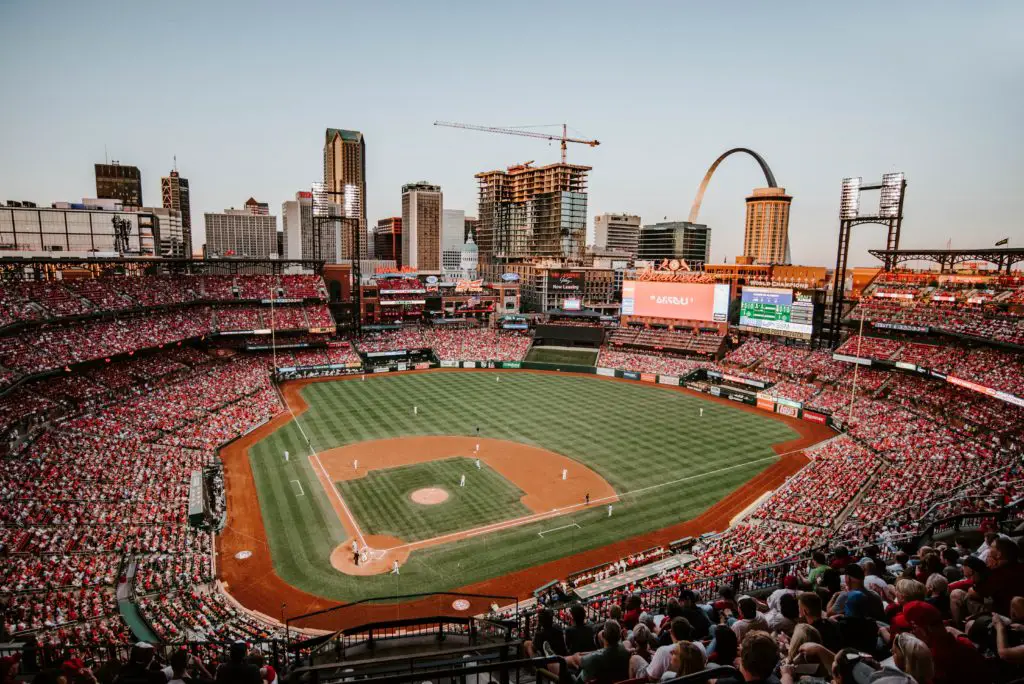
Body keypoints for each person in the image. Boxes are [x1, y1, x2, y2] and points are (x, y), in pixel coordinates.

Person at [904, 600, 991, 684]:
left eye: (912, 629)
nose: (911, 633)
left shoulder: (933, 661)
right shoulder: (963, 642)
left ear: (923, 630)